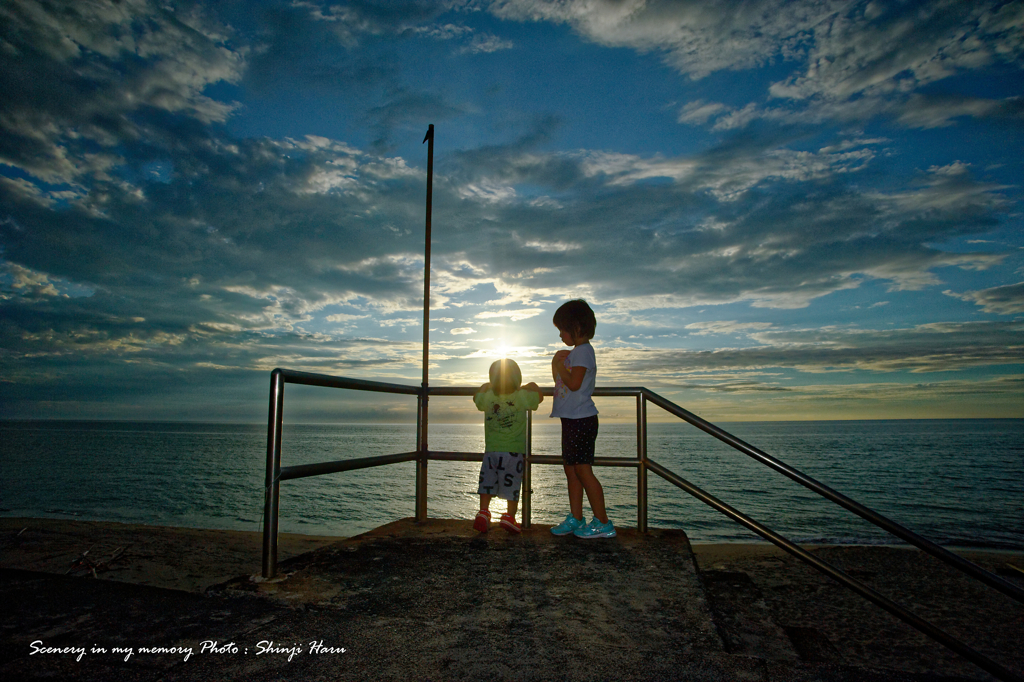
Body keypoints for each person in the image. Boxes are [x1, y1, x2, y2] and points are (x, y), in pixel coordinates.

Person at [549, 299, 615, 538]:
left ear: (576, 327)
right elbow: (560, 381)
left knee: (583, 471)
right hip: (570, 419)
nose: (560, 336)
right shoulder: (576, 353)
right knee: (571, 471)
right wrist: (557, 364)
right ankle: (576, 517)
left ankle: (603, 522)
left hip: (581, 420)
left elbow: (574, 384)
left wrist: (559, 364)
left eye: (562, 330)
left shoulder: (584, 351)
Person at [473, 358, 544, 534]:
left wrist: (486, 386)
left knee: (487, 483)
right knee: (512, 484)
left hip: (491, 451)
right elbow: (540, 397)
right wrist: (531, 385)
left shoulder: (488, 396)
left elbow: (476, 398)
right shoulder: (521, 396)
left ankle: (483, 512)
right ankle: (509, 516)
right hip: (514, 451)